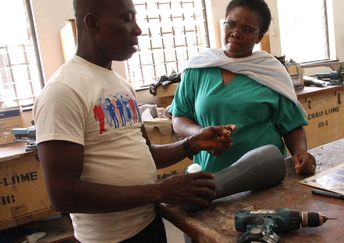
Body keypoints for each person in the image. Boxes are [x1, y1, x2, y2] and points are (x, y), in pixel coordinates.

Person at [32, 0, 235, 242]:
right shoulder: (63, 90)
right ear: (92, 23)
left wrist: (191, 145)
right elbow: (62, 195)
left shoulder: (121, 85)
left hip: (149, 224)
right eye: (127, 19)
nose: (137, 29)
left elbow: (145, 153)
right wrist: (160, 191)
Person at [170, 0, 316, 174]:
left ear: (259, 36)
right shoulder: (199, 68)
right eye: (230, 25)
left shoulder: (270, 71)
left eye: (246, 30)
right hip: (212, 176)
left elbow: (292, 126)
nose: (235, 33)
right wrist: (201, 135)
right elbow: (179, 118)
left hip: (267, 174)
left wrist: (300, 154)